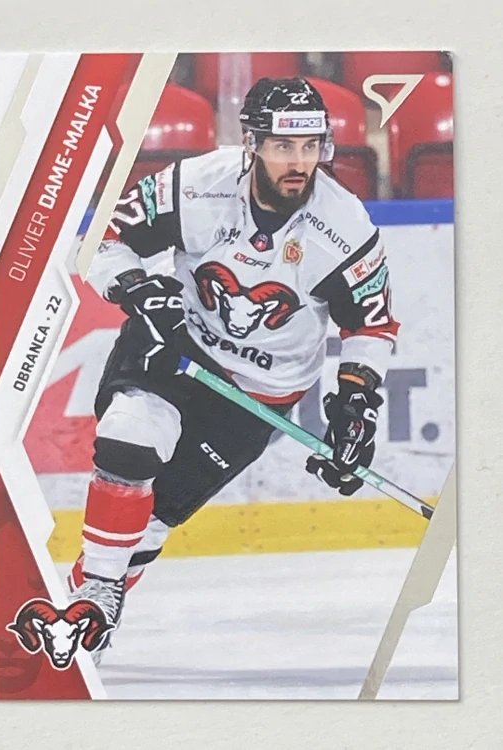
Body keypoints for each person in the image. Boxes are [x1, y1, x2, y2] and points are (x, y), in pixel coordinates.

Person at [68, 77, 400, 661]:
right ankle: (91, 601)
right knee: (129, 440)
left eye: (311, 146)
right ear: (251, 143)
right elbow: (103, 239)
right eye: (283, 146)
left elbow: (370, 326)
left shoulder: (344, 226)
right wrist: (139, 288)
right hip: (179, 347)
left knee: (152, 522)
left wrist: (356, 403)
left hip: (258, 396)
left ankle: (82, 608)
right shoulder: (195, 185)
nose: (299, 162)